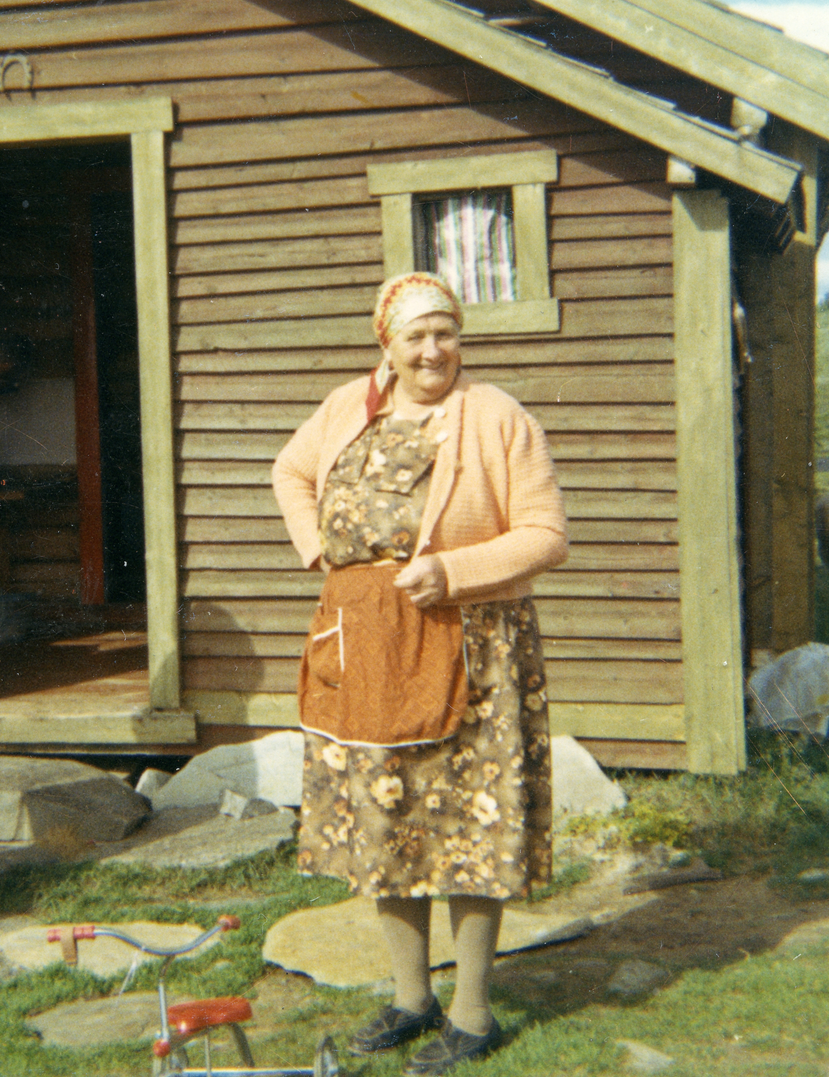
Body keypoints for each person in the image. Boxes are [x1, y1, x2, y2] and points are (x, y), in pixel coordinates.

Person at [272, 272, 567, 1075]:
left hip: (469, 646)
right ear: (387, 345)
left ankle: (472, 1012)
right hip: (364, 645)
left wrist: (455, 571)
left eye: (446, 332)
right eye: (416, 336)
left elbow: (545, 534)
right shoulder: (345, 407)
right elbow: (290, 472)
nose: (433, 349)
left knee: (470, 826)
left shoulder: (499, 416)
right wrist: (318, 548)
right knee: (381, 821)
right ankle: (412, 998)